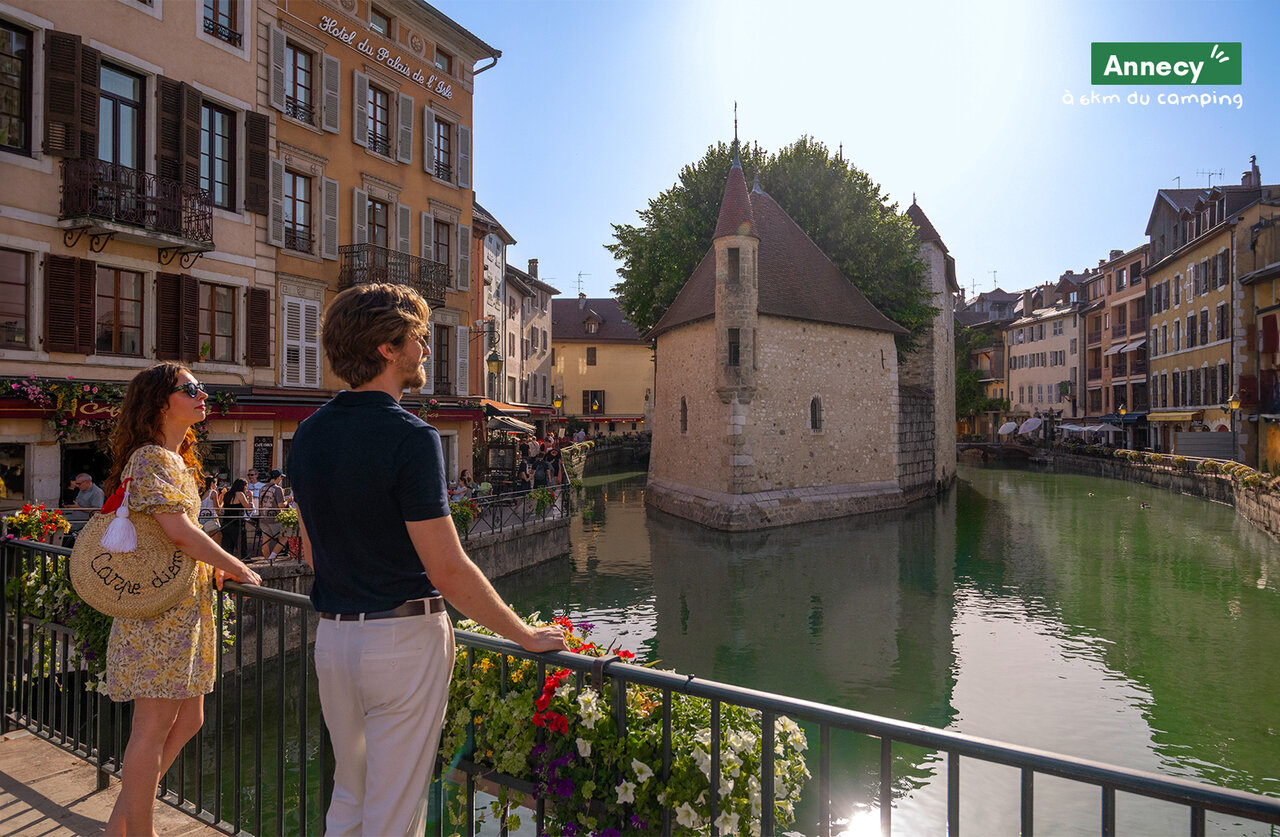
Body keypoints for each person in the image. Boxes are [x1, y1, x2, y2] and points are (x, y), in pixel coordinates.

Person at [288, 283, 565, 837]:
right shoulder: (411, 437)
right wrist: (523, 636)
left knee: (350, 798)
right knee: (395, 814)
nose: (426, 348)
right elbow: (449, 569)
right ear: (387, 349)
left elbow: (312, 549)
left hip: (335, 640)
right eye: (418, 336)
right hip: (400, 640)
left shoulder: (308, 433)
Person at [100, 363, 261, 837]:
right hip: (160, 611)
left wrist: (212, 566)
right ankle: (139, 833)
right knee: (150, 726)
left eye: (202, 388)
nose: (202, 394)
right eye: (190, 389)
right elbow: (179, 532)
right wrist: (234, 564)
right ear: (160, 402)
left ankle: (119, 825)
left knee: (189, 716)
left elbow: (175, 536)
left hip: (183, 606)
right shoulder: (152, 457)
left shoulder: (174, 459)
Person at [258, 469, 286, 563]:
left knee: (265, 541)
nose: (281, 480)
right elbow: (281, 505)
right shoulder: (277, 489)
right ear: (278, 477)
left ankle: (268, 561)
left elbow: (260, 505)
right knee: (283, 538)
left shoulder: (262, 488)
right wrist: (288, 501)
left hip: (263, 517)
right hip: (275, 518)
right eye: (281, 478)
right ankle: (271, 558)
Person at [221, 478, 251, 559]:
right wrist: (250, 497)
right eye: (246, 486)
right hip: (237, 523)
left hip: (226, 522)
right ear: (243, 486)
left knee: (227, 544)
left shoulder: (227, 494)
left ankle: (227, 560)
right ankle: (244, 559)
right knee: (240, 543)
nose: (247, 488)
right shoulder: (240, 494)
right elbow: (248, 507)